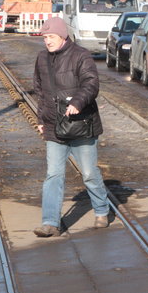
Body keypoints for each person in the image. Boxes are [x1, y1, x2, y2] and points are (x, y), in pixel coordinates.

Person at [32, 17, 110, 237]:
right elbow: (41, 93)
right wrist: (41, 120)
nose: (47, 41)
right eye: (45, 37)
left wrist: (77, 102)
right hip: (54, 127)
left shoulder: (81, 55)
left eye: (51, 37)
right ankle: (50, 223)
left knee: (88, 173)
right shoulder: (41, 58)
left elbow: (91, 83)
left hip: (81, 125)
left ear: (62, 36)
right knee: (53, 175)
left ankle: (102, 211)